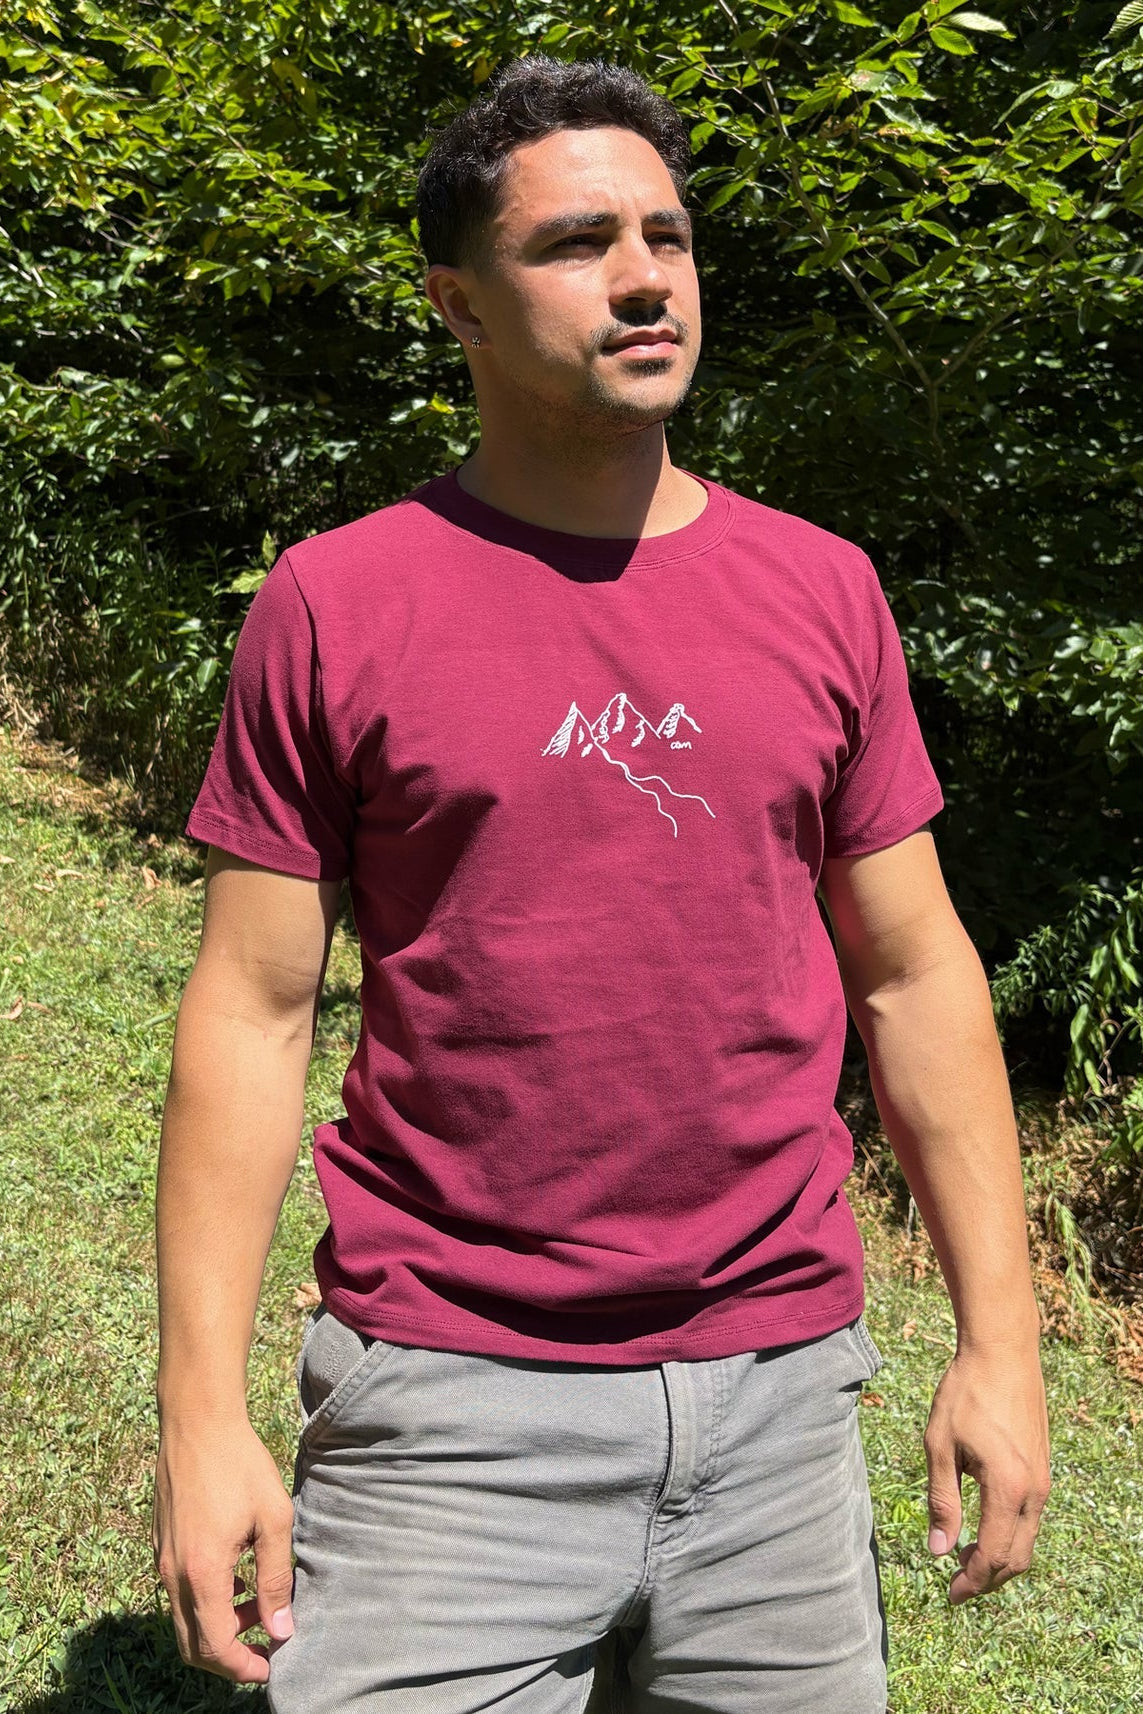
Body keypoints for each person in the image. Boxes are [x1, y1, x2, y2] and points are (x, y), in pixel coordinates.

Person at [152, 55, 1050, 1714]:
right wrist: (202, 1422)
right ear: (459, 304)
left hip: (779, 1406)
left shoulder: (823, 591)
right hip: (448, 1404)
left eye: (669, 234)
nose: (645, 275)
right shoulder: (340, 603)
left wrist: (1001, 1340)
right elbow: (256, 1007)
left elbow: (917, 974)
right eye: (576, 241)